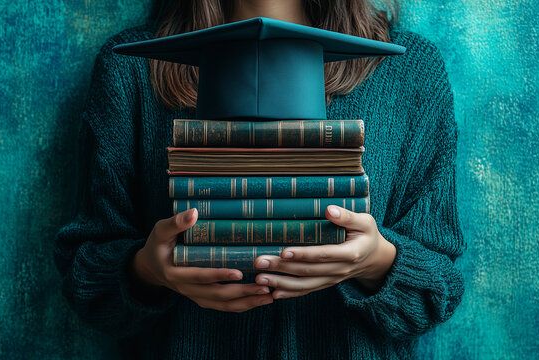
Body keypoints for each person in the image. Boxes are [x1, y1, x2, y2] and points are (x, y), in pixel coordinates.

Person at [54, 0, 465, 358]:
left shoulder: (411, 73)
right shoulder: (132, 69)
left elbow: (439, 288)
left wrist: (377, 261)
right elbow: (87, 280)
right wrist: (147, 270)